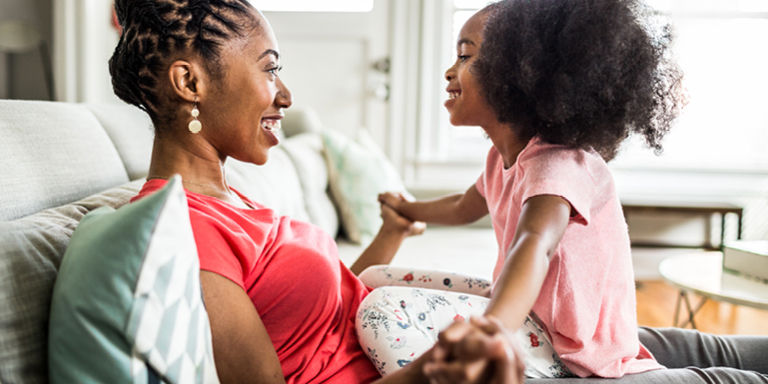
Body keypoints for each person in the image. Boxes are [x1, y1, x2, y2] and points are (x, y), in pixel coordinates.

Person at [110, 0, 523, 383]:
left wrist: (389, 235)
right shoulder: (184, 229)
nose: (286, 95)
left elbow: (330, 312)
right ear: (189, 82)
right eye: (269, 70)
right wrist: (437, 368)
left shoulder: (228, 200)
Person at [378, 0, 768, 382]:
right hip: (550, 332)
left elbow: (535, 241)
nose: (449, 71)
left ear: (515, 75)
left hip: (589, 356)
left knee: (724, 372)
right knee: (709, 349)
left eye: (465, 57)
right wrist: (410, 211)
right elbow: (463, 207)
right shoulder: (501, 159)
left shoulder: (558, 163)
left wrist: (492, 328)